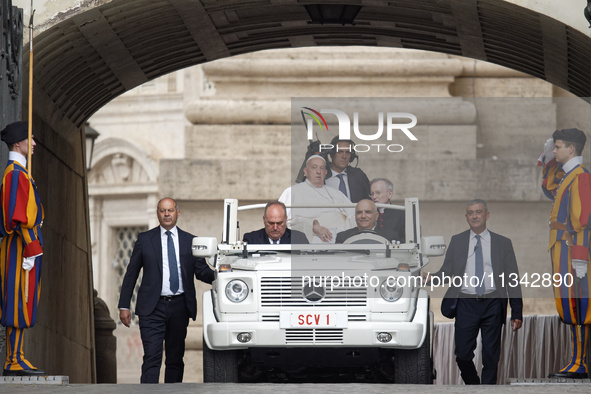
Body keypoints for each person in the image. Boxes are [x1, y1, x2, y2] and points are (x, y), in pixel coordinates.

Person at [425, 199, 522, 384]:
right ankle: (474, 386)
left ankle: (487, 390)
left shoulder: (503, 243)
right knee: (462, 355)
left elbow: (512, 279)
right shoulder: (458, 241)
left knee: (491, 356)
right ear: (466, 217)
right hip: (466, 303)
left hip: (493, 303)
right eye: (470, 213)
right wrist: (430, 277)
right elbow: (447, 272)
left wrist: (517, 311)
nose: (474, 216)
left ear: (487, 215)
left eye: (478, 212)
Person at [118, 197, 214, 383]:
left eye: (170, 210)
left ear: (178, 213)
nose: (167, 214)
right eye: (163, 211)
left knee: (175, 360)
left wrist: (222, 275)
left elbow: (202, 272)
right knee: (152, 358)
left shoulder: (191, 241)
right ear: (158, 214)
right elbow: (131, 273)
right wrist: (124, 305)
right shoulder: (145, 240)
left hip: (179, 306)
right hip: (152, 308)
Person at [539, 128, 591, 379]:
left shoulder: (580, 177)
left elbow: (582, 220)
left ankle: (580, 363)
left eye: (558, 147)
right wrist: (549, 159)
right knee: (569, 306)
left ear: (571, 149)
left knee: (577, 305)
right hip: (562, 250)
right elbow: (550, 189)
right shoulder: (568, 175)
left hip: (572, 251)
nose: (555, 149)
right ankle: (576, 360)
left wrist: (580, 255)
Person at [0, 121, 45, 376]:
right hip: (21, 246)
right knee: (18, 300)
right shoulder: (15, 173)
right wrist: (32, 246)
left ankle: (17, 356)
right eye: (31, 139)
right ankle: (13, 360)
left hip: (25, 245)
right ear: (19, 143)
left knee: (24, 300)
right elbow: (17, 216)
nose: (35, 143)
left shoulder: (20, 172)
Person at [279, 155, 354, 243]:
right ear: (305, 171)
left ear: (325, 172)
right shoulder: (292, 192)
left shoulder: (336, 193)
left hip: (343, 239)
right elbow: (282, 222)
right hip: (315, 240)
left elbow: (353, 214)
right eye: (314, 168)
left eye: (321, 168)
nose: (318, 171)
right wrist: (313, 226)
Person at [325, 137, 370, 203]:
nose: (344, 156)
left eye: (347, 152)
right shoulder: (321, 175)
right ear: (331, 154)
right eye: (340, 152)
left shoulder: (358, 175)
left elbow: (370, 200)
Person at [243, 201, 308, 244]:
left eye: (279, 223)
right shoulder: (251, 239)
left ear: (286, 220)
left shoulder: (299, 239)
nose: (275, 228)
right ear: (264, 220)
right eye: (271, 223)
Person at [370, 178, 405, 242]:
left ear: (389, 194)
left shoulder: (402, 214)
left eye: (378, 193)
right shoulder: (368, 214)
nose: (374, 197)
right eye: (372, 194)